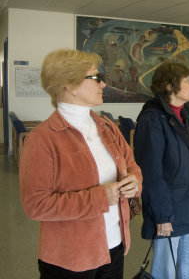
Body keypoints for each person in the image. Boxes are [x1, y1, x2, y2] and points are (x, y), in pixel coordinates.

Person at [19, 48, 143, 279]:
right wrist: (98, 198)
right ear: (69, 85)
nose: (103, 84)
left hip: (114, 246)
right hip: (70, 258)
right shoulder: (42, 139)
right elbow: (35, 205)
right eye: (95, 77)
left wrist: (134, 182)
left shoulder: (107, 127)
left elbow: (132, 166)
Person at [134, 61, 189, 279]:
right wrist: (161, 215)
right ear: (170, 87)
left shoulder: (188, 116)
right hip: (169, 214)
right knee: (165, 272)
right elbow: (151, 173)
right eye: (188, 81)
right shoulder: (152, 119)